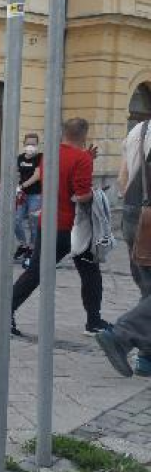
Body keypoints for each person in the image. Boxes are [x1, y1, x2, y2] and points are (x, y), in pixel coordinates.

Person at [11, 118, 108, 337]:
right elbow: (81, 195)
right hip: (74, 228)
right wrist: (99, 194)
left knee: (35, 272)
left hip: (48, 223)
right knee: (91, 273)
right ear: (84, 135)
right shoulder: (81, 158)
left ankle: (6, 313)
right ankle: (94, 322)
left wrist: (86, 159)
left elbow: (61, 178)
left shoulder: (49, 156)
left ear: (64, 132)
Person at [97, 120, 151, 377]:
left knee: (148, 288)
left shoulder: (139, 129)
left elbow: (123, 178)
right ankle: (122, 335)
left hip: (133, 212)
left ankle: (147, 359)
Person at [15, 133, 42, 260]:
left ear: (37, 145)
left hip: (35, 195)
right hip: (22, 195)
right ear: (24, 144)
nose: (30, 146)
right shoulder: (20, 158)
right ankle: (23, 244)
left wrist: (22, 186)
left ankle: (32, 247)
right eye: (28, 143)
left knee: (33, 222)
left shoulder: (40, 157)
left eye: (33, 144)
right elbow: (16, 173)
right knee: (16, 220)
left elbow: (37, 175)